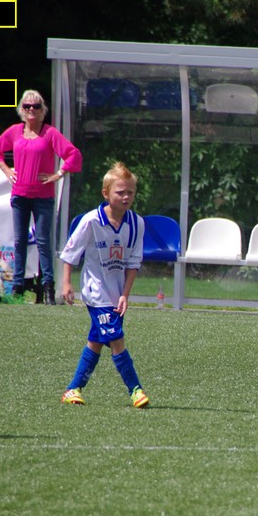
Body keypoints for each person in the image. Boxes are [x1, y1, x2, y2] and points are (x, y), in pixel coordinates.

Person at [59, 162, 150, 409]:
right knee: (117, 340)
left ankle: (73, 389)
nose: (126, 197)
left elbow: (133, 263)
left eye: (130, 192)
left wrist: (125, 295)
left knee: (96, 341)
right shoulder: (91, 221)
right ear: (106, 193)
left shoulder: (137, 223)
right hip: (95, 291)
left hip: (116, 294)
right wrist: (66, 283)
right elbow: (70, 253)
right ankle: (136, 390)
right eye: (120, 192)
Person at [0, 89, 82, 304]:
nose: (31, 110)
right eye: (27, 106)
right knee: (19, 241)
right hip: (20, 194)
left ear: (42, 110)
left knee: (43, 241)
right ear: (21, 109)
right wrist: (7, 170)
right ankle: (18, 285)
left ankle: (48, 287)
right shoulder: (15, 131)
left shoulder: (49, 133)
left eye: (36, 106)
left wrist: (58, 174)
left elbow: (73, 154)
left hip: (43, 195)